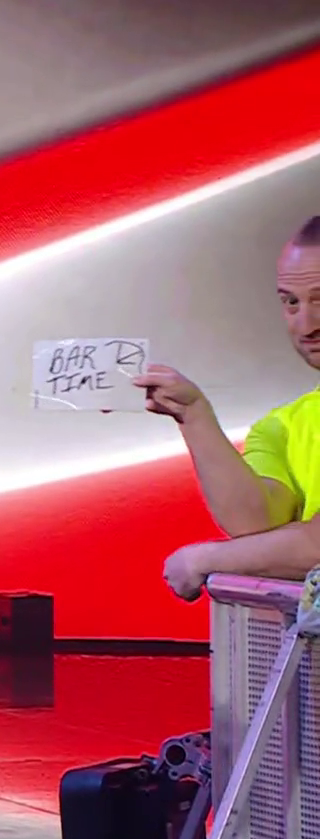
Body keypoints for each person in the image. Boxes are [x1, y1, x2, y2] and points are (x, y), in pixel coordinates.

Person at [142, 217, 320, 599]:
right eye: (291, 302)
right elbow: (255, 528)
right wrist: (194, 416)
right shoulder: (281, 427)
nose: (307, 325)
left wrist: (202, 559)